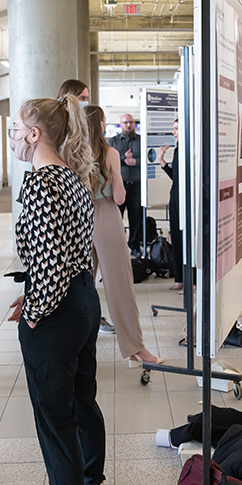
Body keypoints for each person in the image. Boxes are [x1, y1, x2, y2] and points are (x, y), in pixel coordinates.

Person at [7, 95, 107, 485]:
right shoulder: (73, 177)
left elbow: (48, 263)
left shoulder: (39, 183)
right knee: (83, 403)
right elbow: (69, 253)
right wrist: (32, 293)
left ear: (33, 135)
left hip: (57, 314)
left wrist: (34, 310)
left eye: (15, 129)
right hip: (83, 302)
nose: (11, 137)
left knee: (55, 420)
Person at [85, 104, 162, 365]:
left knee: (81, 283)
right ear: (101, 125)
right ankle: (135, 348)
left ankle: (80, 342)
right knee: (119, 283)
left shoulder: (70, 153)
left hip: (79, 217)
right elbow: (119, 197)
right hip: (106, 215)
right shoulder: (110, 152)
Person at [56, 80, 115, 335]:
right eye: (81, 98)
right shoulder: (60, 131)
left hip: (89, 209)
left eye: (87, 98)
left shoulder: (84, 134)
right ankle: (76, 318)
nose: (85, 103)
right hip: (68, 213)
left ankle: (91, 317)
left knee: (89, 269)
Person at [109, 114, 144, 255]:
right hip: (119, 186)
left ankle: (134, 246)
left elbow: (149, 160)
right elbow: (107, 161)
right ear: (120, 124)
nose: (128, 125)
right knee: (116, 217)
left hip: (136, 185)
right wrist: (124, 159)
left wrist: (136, 162)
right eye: (125, 123)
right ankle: (117, 245)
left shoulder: (142, 141)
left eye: (130, 122)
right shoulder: (113, 142)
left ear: (134, 124)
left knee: (136, 218)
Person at [158, 118, 183, 289]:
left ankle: (190, 279)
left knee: (184, 238)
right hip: (176, 196)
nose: (174, 132)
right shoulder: (178, 149)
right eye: (173, 128)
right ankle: (180, 278)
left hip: (183, 198)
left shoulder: (185, 149)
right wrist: (161, 161)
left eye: (177, 128)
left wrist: (162, 161)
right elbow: (176, 176)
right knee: (176, 236)